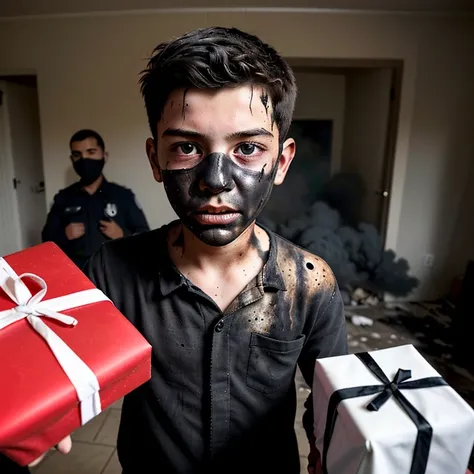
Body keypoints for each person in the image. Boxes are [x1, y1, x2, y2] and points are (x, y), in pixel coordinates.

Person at [32, 27, 348, 473]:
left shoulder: (312, 283)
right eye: (186, 147)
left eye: (248, 148)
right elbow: (51, 378)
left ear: (280, 162)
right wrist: (37, 412)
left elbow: (334, 407)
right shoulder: (112, 271)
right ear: (155, 159)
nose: (215, 181)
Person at [41, 129, 150, 269]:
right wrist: (64, 235)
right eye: (77, 154)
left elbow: (145, 237)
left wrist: (122, 234)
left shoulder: (123, 196)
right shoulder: (63, 198)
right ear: (72, 159)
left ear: (104, 156)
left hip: (116, 272)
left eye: (91, 152)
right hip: (76, 275)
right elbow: (46, 240)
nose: (84, 159)